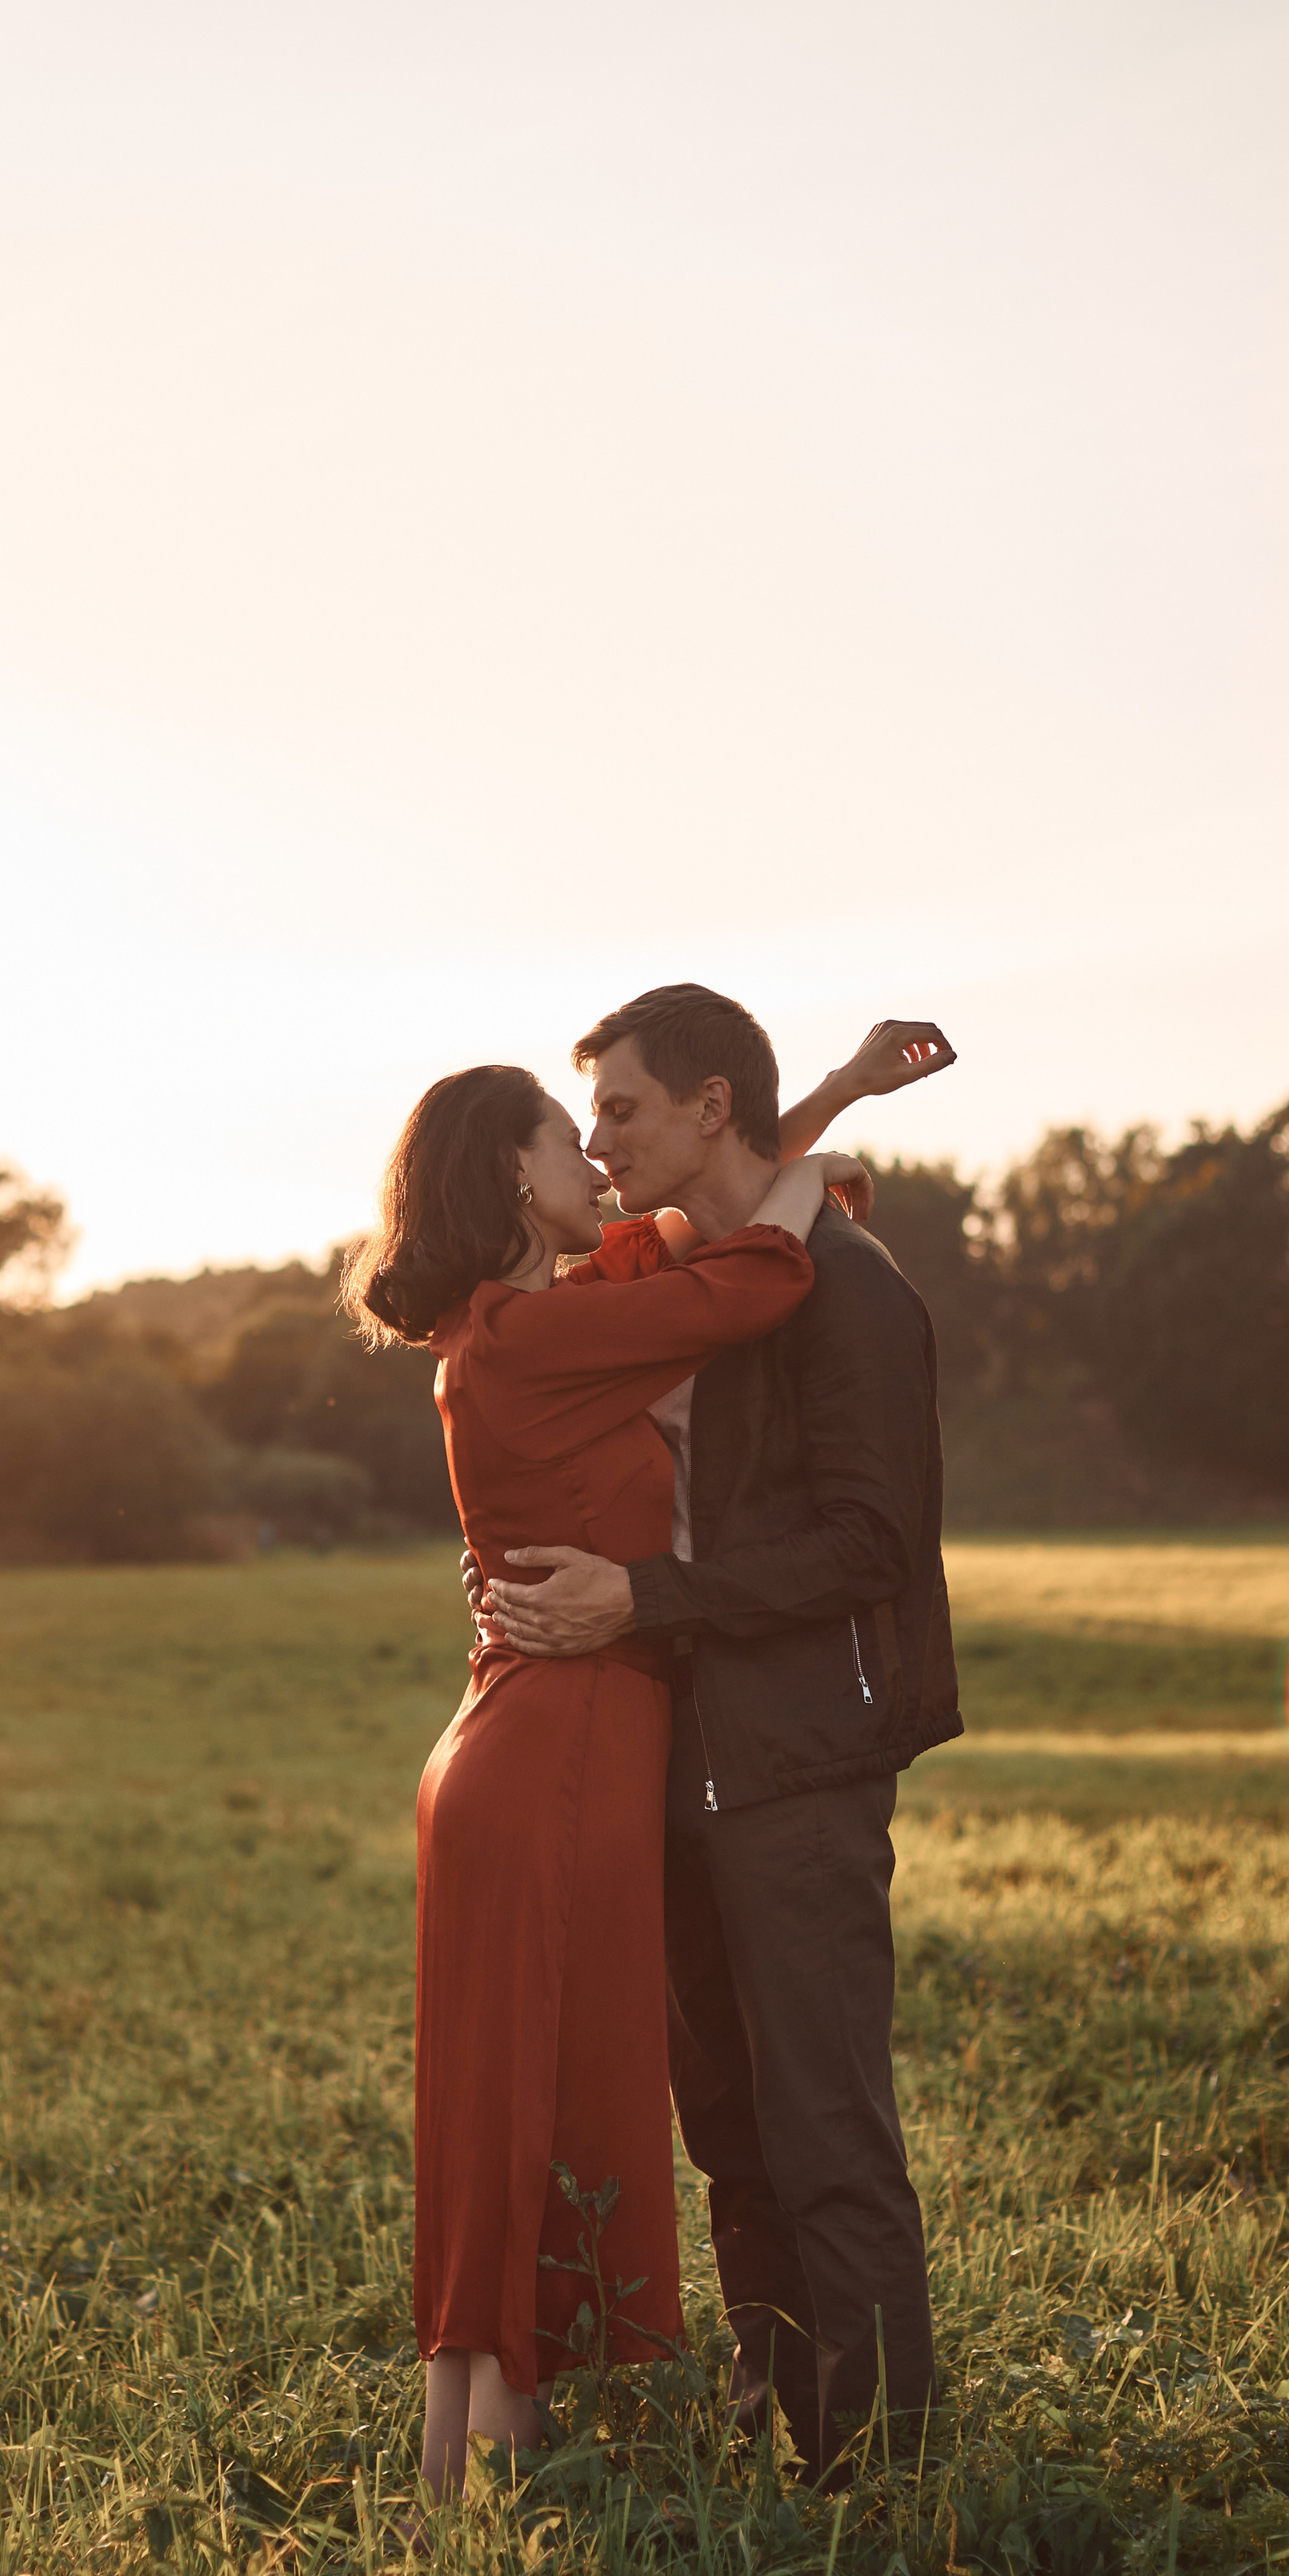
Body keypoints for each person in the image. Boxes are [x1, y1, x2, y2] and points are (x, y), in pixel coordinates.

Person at [344, 1060, 862, 2499]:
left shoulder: (516, 1327)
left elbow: (696, 1212)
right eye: (564, 1139)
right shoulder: (534, 1339)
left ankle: (458, 2465)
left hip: (514, 1740)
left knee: (499, 2089)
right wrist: (815, 1187)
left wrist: (829, 1098)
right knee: (539, 2086)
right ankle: (498, 2457)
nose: (593, 1157)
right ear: (512, 1176)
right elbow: (752, 1274)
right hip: (558, 1748)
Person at [477, 986, 961, 2481]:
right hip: (671, 1751)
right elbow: (747, 1168)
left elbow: (871, 1542)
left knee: (824, 2126)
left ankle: (882, 2479)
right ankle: (782, 2422)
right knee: (732, 2132)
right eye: (592, 1117)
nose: (602, 1141)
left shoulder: (853, 1288)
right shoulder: (682, 1272)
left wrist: (646, 1598)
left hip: (802, 1756)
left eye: (621, 1110)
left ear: (702, 1108)